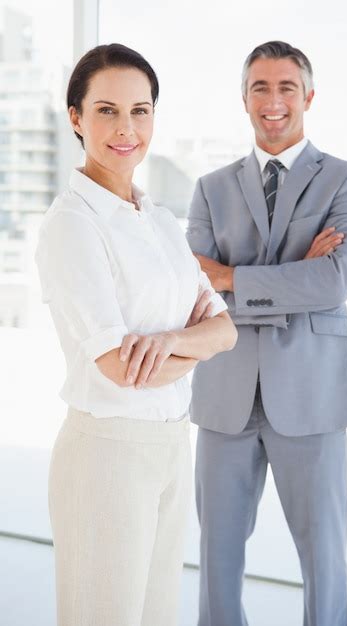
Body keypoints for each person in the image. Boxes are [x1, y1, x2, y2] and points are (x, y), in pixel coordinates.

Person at [35, 43, 237, 626]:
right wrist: (195, 340)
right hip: (107, 455)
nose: (126, 128)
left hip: (172, 447)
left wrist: (168, 344)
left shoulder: (161, 220)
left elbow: (224, 327)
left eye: (140, 110)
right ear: (76, 118)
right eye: (106, 110)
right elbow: (120, 369)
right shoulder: (72, 226)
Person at [186, 40, 347, 626]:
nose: (273, 101)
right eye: (260, 88)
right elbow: (194, 290)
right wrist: (296, 273)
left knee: (324, 558)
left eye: (286, 87)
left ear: (308, 96)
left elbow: (335, 282)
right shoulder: (210, 188)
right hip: (225, 396)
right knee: (217, 558)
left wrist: (232, 277)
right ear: (244, 100)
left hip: (313, 395)